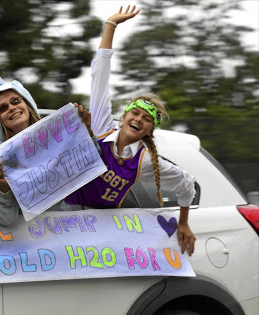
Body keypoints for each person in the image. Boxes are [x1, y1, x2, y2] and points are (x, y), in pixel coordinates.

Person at [64, 6, 197, 255]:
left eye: (147, 119)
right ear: (124, 116)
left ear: (149, 131)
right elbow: (100, 78)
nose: (139, 119)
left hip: (101, 231)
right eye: (135, 113)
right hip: (64, 216)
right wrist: (110, 25)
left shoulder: (144, 160)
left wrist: (184, 221)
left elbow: (186, 183)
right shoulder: (103, 129)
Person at [0, 72, 94, 226]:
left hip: (69, 230)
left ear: (27, 104)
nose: (12, 108)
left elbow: (89, 167)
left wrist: (87, 134)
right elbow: (5, 220)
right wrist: (3, 189)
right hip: (32, 242)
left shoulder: (56, 135)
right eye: (3, 108)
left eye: (15, 101)